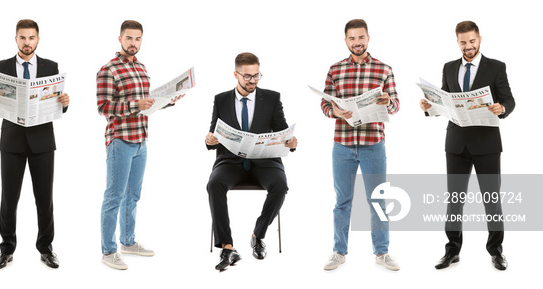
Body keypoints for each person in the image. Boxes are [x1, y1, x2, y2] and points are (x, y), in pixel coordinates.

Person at [421, 20, 515, 271]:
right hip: (456, 144)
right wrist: (431, 107)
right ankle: (452, 251)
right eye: (463, 42)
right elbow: (444, 99)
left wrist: (502, 107)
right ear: (458, 42)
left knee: (492, 200)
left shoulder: (496, 67)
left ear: (479, 39)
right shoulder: (449, 68)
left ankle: (496, 252)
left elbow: (509, 99)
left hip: (487, 144)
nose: (468, 46)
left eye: (472, 41)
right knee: (454, 200)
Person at [97, 20, 182, 270]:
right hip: (120, 141)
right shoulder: (108, 70)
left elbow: (147, 105)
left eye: (137, 39)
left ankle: (128, 242)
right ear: (120, 39)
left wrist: (167, 101)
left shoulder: (142, 68)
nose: (133, 43)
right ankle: (108, 250)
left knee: (133, 196)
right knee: (114, 197)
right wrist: (136, 105)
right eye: (129, 38)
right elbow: (103, 107)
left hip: (142, 141)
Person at [0, 19, 70, 270]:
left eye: (31, 38)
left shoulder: (50, 66)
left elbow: (56, 102)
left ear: (38, 39)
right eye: (22, 38)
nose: (27, 42)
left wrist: (64, 101)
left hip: (43, 142)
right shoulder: (1, 66)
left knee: (45, 198)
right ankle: (6, 249)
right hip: (11, 140)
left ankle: (46, 248)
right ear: (16, 39)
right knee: (8, 199)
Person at [205, 52, 298, 271]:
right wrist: (210, 140)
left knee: (280, 185)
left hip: (265, 161)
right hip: (230, 162)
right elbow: (213, 134)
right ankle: (228, 247)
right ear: (236, 74)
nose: (252, 81)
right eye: (247, 77)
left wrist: (290, 142)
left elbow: (282, 131)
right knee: (214, 184)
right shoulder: (221, 99)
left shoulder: (272, 98)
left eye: (256, 75)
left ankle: (258, 235)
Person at [320, 19, 400, 271]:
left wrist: (387, 101)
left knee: (378, 200)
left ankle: (382, 252)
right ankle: (339, 251)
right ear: (346, 41)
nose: (357, 42)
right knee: (342, 200)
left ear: (368, 38)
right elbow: (324, 104)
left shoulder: (383, 69)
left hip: (373, 144)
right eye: (352, 38)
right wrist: (335, 111)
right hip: (342, 145)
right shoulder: (335, 70)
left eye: (361, 37)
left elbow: (396, 105)